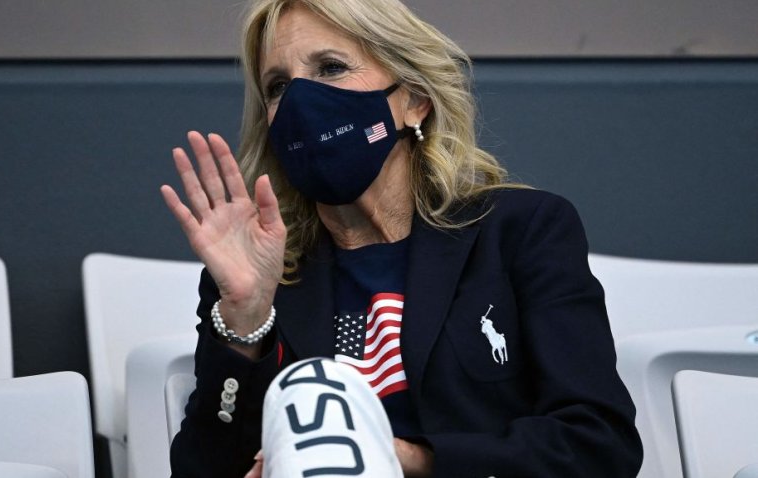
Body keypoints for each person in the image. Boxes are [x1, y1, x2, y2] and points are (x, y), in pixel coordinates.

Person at [161, 0, 644, 476]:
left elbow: (598, 444)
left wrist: (409, 459)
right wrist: (246, 320)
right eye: (279, 86)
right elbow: (202, 469)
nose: (301, 103)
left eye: (330, 68)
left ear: (413, 100)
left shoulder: (520, 232)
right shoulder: (264, 271)